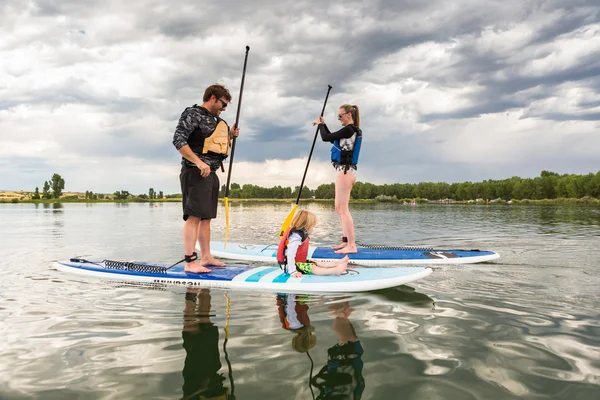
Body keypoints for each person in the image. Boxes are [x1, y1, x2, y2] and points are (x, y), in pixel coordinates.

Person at [173, 84, 239, 273]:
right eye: (223, 103)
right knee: (193, 217)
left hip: (211, 173)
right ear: (213, 98)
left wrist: (231, 136)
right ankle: (189, 261)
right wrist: (199, 163)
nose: (225, 108)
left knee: (206, 218)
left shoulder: (217, 120)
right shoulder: (193, 114)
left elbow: (213, 142)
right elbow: (178, 140)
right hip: (195, 171)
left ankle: (206, 256)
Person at [313, 104, 362, 254]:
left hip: (345, 172)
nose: (339, 118)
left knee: (343, 209)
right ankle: (346, 242)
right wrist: (323, 124)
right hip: (345, 172)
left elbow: (325, 137)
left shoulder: (349, 129)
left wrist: (321, 125)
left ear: (349, 115)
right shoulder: (348, 131)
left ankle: (352, 245)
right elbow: (330, 139)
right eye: (338, 116)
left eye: (340, 115)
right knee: (339, 208)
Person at [277, 210, 349, 278]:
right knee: (313, 267)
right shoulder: (296, 237)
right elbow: (290, 254)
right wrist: (293, 272)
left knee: (316, 262)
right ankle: (335, 271)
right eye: (313, 226)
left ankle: (337, 263)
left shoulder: (300, 234)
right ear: (306, 226)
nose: (313, 228)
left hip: (298, 262)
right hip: (289, 266)